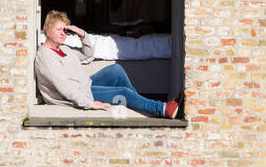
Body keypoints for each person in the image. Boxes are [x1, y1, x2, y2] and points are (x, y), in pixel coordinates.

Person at [35, 10, 180, 119]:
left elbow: (88, 54)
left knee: (115, 70)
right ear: (47, 31)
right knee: (122, 92)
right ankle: (161, 108)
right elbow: (63, 87)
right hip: (76, 95)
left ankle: (140, 104)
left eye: (65, 30)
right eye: (59, 29)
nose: (63, 33)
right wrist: (89, 104)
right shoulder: (46, 55)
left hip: (84, 86)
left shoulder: (63, 49)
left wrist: (82, 35)